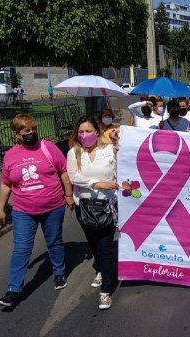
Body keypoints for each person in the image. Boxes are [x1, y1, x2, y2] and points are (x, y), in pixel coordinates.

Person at [0, 114, 74, 307]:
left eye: (33, 130)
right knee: (21, 249)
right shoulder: (10, 156)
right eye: (26, 131)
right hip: (23, 211)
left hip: (53, 207)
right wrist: (1, 209)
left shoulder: (48, 147)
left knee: (54, 241)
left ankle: (59, 273)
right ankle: (13, 290)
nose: (31, 133)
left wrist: (69, 195)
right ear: (16, 134)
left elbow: (63, 171)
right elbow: (6, 184)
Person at [67, 116, 119, 310]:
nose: (84, 135)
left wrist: (119, 148)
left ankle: (105, 291)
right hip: (85, 206)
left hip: (107, 205)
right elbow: (74, 177)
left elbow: (123, 169)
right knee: (93, 243)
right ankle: (100, 268)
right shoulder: (74, 153)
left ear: (97, 132)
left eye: (88, 131)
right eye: (81, 132)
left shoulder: (109, 151)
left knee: (105, 247)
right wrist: (97, 184)